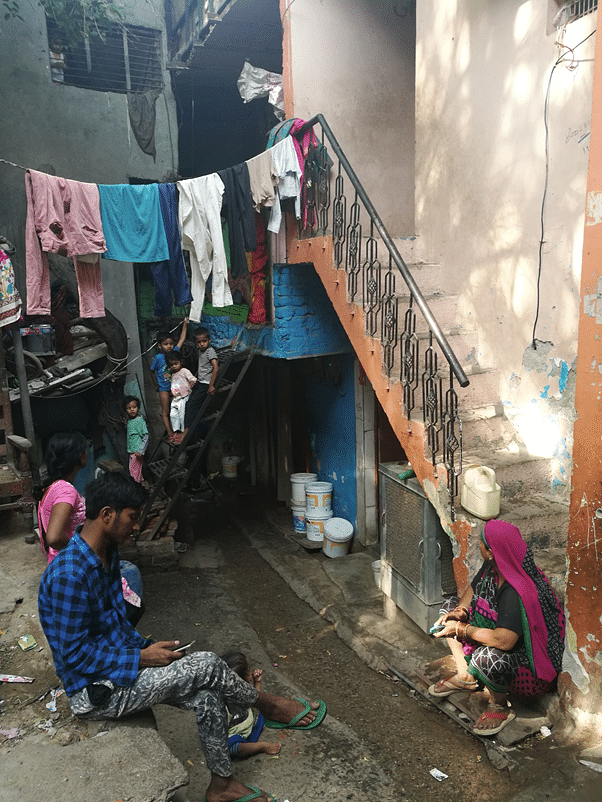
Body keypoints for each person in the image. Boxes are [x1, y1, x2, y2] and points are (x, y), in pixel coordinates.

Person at [38, 472, 327, 802]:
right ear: (107, 515)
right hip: (96, 692)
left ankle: (222, 785)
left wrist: (147, 646)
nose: (136, 527)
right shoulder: (68, 575)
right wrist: (141, 658)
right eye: (132, 518)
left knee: (208, 694)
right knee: (205, 664)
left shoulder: (107, 555)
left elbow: (115, 628)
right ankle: (267, 704)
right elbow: (75, 656)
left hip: (121, 672)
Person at [428, 519, 565, 736]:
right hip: (495, 636)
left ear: (490, 552)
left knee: (487, 656)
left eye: (481, 543)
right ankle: (466, 677)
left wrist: (461, 630)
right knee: (448, 610)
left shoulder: (514, 591)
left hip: (524, 671)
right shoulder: (494, 565)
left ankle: (499, 706)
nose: (479, 545)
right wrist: (460, 612)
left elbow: (504, 640)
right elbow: (473, 589)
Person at [38, 431, 145, 626]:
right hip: (76, 567)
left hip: (61, 563)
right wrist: (84, 553)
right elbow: (53, 537)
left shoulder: (53, 487)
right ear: (80, 456)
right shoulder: (66, 491)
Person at [221, 651, 281, 758]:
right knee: (232, 747)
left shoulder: (239, 690)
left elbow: (255, 699)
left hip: (245, 719)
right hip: (232, 733)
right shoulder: (221, 704)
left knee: (260, 709)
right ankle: (261, 746)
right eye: (248, 671)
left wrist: (257, 682)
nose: (251, 673)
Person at [150, 319, 188, 442]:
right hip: (164, 389)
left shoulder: (175, 352)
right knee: (166, 412)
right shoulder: (158, 358)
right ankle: (171, 434)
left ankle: (178, 433)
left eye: (171, 343)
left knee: (176, 410)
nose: (169, 346)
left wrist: (184, 325)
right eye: (166, 344)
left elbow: (182, 339)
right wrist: (156, 384)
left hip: (175, 388)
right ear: (160, 346)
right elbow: (152, 371)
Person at [183, 327, 219, 437]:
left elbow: (216, 368)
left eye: (204, 341)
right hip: (200, 382)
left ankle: (187, 431)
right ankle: (187, 428)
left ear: (209, 340)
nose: (202, 344)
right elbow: (201, 368)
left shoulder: (210, 351)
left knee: (191, 404)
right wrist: (194, 378)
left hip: (206, 384)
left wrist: (211, 386)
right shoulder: (200, 351)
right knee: (187, 401)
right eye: (199, 342)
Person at [166, 350, 196, 442]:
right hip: (176, 398)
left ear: (181, 362)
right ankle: (176, 430)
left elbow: (193, 378)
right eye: (172, 365)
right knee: (173, 414)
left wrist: (191, 382)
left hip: (184, 396)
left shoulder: (184, 371)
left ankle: (182, 432)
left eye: (176, 363)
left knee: (182, 414)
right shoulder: (172, 374)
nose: (174, 366)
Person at [123, 395, 148, 484]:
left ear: (138, 408)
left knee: (134, 474)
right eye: (129, 408)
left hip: (137, 453)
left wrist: (141, 451)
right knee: (136, 473)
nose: (132, 409)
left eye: (134, 407)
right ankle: (141, 487)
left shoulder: (140, 421)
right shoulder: (130, 421)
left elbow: (145, 436)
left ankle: (136, 490)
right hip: (132, 452)